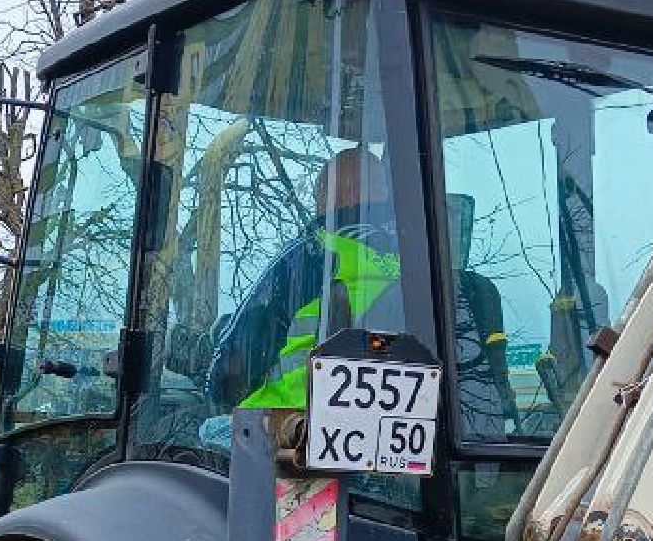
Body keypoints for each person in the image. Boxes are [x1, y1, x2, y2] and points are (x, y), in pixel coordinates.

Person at [208, 146, 513, 438]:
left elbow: (230, 375)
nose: (317, 204)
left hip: (297, 434)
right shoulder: (439, 271)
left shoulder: (311, 259)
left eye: (320, 193)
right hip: (409, 442)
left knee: (201, 431)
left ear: (343, 194)